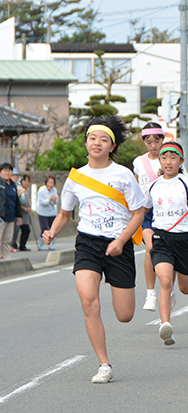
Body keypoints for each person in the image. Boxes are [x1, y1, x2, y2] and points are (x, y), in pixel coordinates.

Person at [43, 116, 145, 384]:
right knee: (89, 302)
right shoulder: (76, 177)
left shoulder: (123, 175)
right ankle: (104, 364)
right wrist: (52, 231)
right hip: (88, 242)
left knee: (125, 315)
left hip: (118, 244)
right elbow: (65, 213)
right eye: (92, 138)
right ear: (86, 143)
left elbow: (138, 213)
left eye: (103, 139)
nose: (97, 143)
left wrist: (122, 240)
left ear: (112, 146)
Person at [144, 141, 188, 346]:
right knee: (164, 281)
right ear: (160, 161)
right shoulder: (152, 185)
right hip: (161, 238)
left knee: (185, 288)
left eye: (173, 157)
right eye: (164, 158)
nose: (168, 162)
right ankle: (165, 324)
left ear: (181, 161)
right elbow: (142, 210)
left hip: (185, 239)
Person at [132, 122, 166, 312]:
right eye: (148, 141)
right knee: (150, 249)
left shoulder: (170, 157)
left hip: (166, 208)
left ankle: (167, 289)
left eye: (157, 141)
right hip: (146, 210)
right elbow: (136, 185)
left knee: (169, 250)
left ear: (162, 139)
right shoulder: (138, 162)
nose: (153, 145)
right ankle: (151, 293)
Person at [0, 163, 23, 259]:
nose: (7, 173)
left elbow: (17, 201)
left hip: (10, 216)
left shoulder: (13, 185)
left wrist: (19, 215)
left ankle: (5, 257)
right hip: (1, 216)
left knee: (7, 239)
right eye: (4, 170)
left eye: (9, 171)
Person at [37, 176, 58, 250]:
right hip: (43, 212)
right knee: (44, 228)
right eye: (49, 182)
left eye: (52, 183)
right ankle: (42, 245)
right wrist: (49, 200)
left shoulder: (54, 190)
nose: (50, 184)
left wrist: (54, 200)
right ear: (46, 183)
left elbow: (56, 201)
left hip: (52, 212)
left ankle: (51, 244)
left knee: (52, 229)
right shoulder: (41, 190)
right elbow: (42, 202)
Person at [14, 174, 32, 251]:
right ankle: (14, 244)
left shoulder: (28, 190)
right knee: (16, 230)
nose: (26, 183)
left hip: (26, 213)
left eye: (28, 181)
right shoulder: (19, 189)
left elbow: (29, 201)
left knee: (26, 230)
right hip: (19, 212)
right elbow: (17, 201)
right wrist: (23, 208)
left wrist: (29, 207)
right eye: (25, 181)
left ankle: (22, 245)